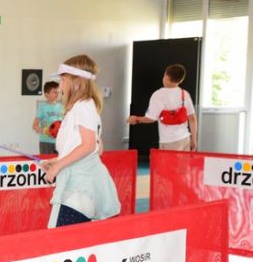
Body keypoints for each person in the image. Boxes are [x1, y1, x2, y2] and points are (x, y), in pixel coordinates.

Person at [40, 55, 121, 228]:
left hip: (78, 190)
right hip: (81, 187)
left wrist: (58, 165)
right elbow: (97, 148)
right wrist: (58, 160)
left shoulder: (83, 106)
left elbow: (89, 145)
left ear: (76, 82)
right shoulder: (84, 106)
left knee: (62, 239)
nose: (60, 86)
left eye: (63, 80)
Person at [127, 63, 197, 151]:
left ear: (166, 76)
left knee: (168, 161)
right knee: (184, 161)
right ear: (180, 80)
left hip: (168, 141)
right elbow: (192, 118)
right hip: (185, 138)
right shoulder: (185, 94)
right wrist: (194, 139)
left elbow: (151, 118)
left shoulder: (158, 95)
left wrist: (137, 119)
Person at [32, 80, 64, 155]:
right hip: (45, 142)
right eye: (54, 92)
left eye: (58, 92)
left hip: (59, 141)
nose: (57, 94)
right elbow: (34, 126)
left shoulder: (62, 107)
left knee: (58, 161)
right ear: (47, 94)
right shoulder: (42, 107)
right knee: (46, 161)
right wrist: (46, 131)